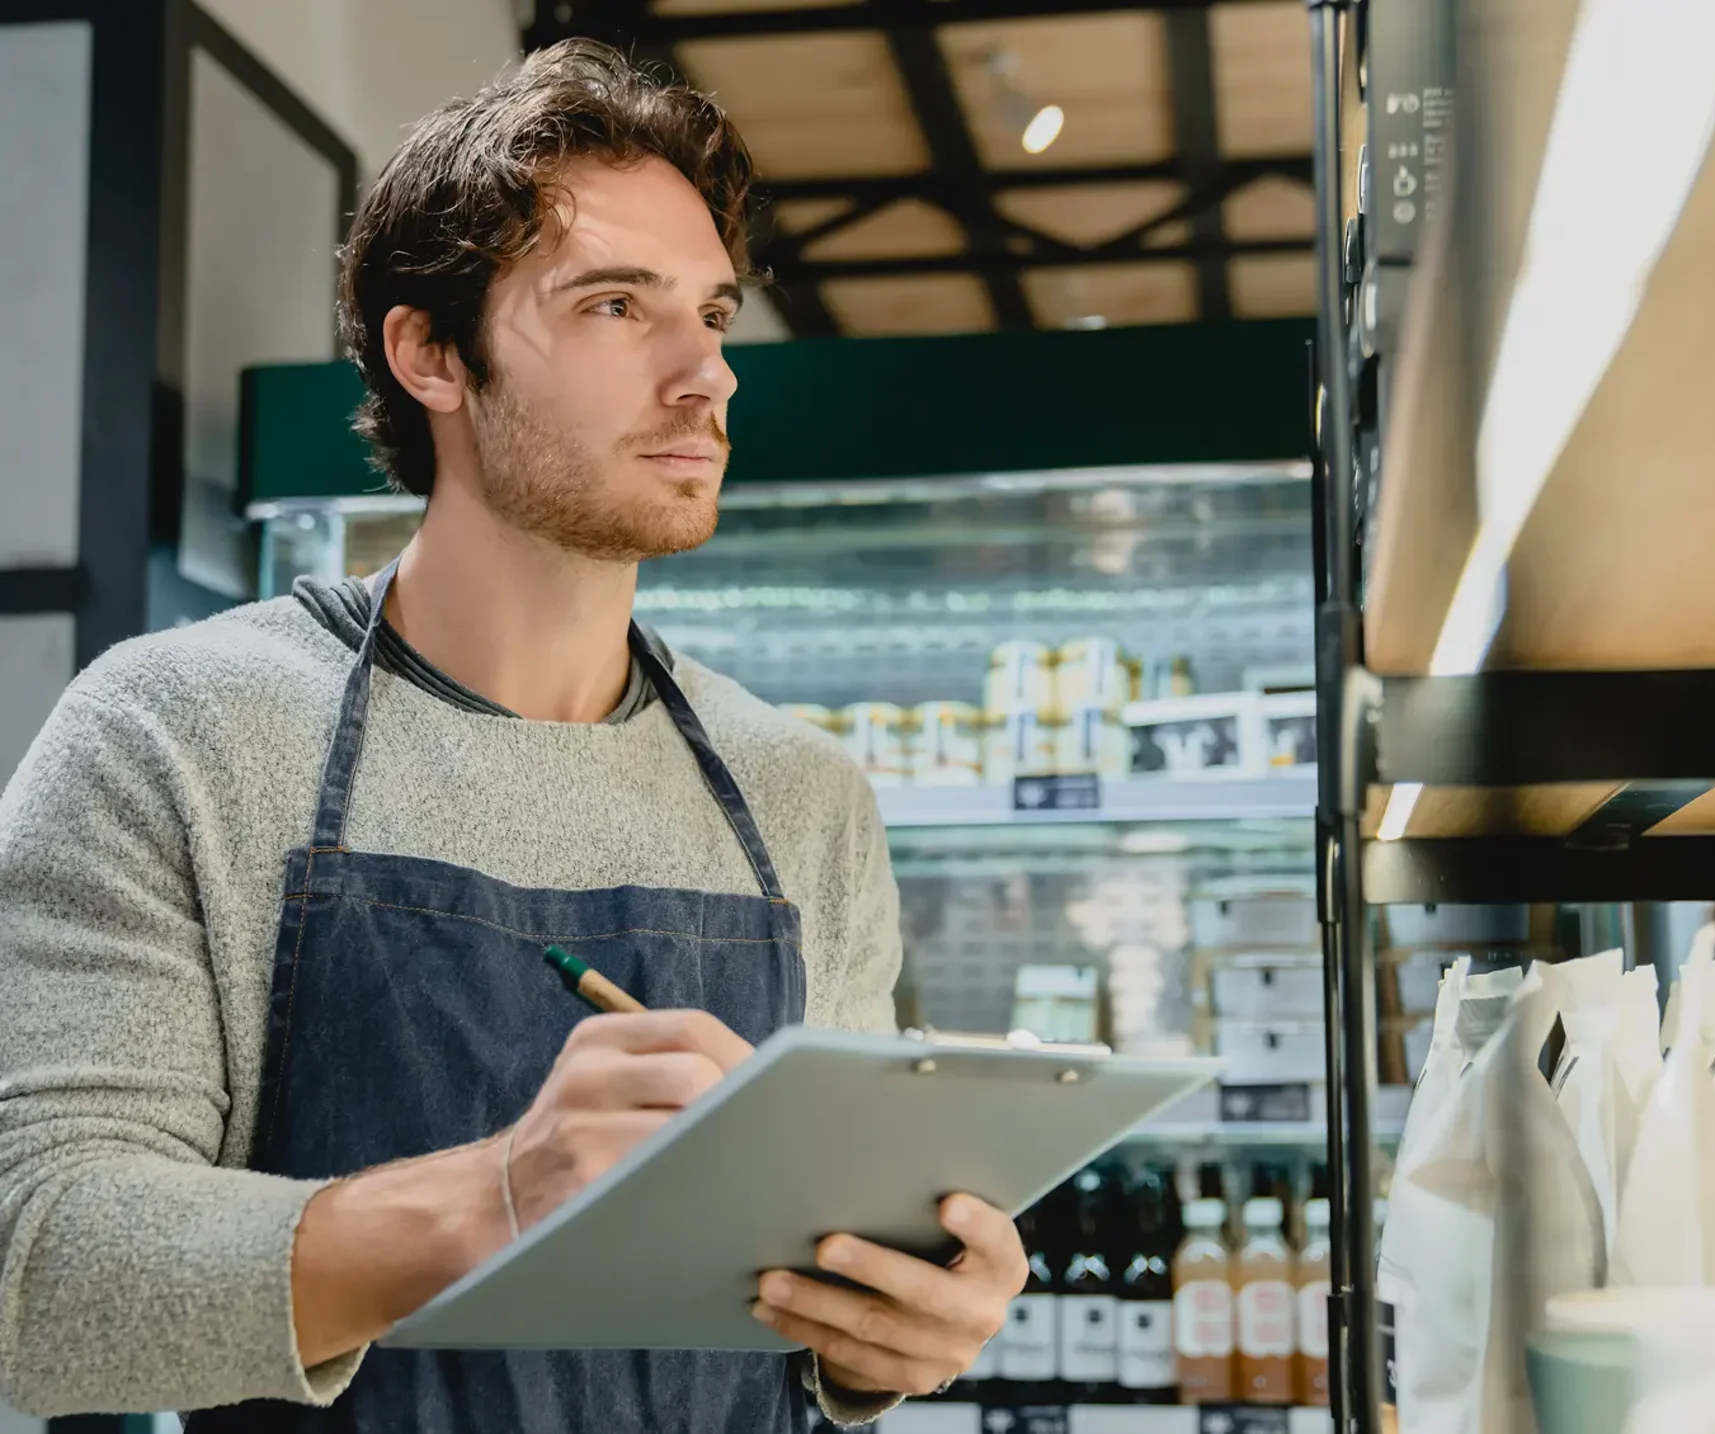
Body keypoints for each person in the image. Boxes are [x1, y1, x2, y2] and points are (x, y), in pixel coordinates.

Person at [0, 38, 1025, 1433]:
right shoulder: (176, 731)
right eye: (617, 305)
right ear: (432, 352)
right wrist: (490, 1198)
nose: (707, 378)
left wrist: (884, 1330)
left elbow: (805, 1286)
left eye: (714, 316)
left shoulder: (801, 794)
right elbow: (34, 1264)